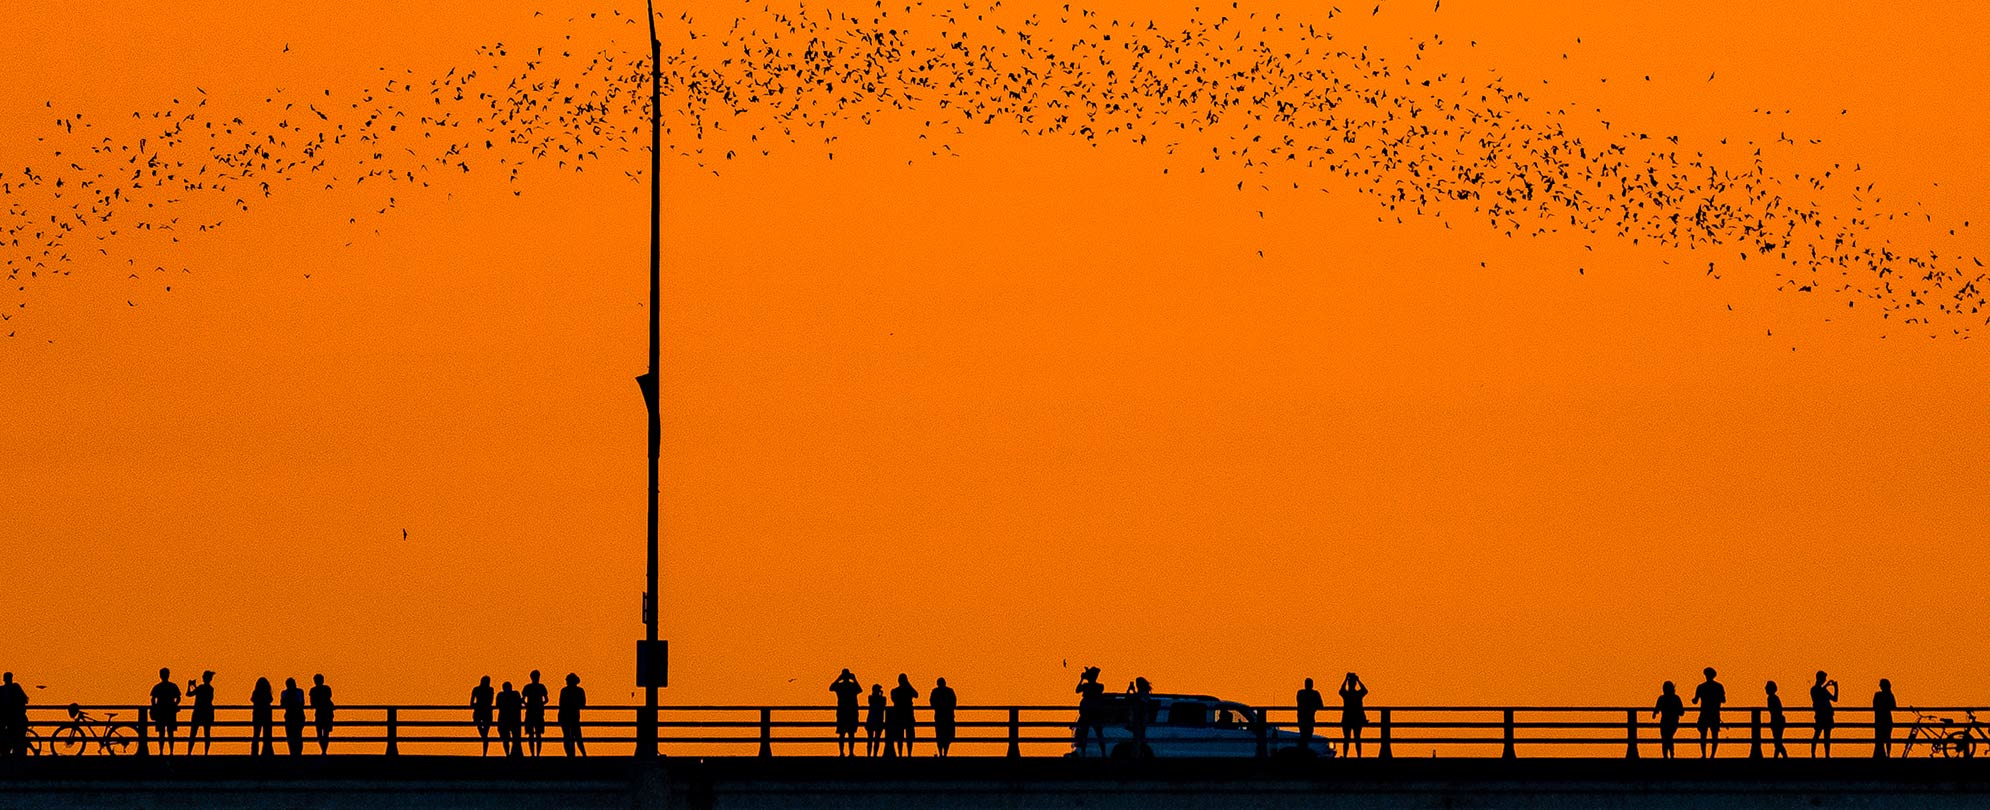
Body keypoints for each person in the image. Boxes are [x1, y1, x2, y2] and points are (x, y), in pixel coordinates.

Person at [1692, 667, 1725, 758]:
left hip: (1704, 714)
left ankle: (1704, 755)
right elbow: (1723, 700)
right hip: (1714, 714)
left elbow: (1695, 701)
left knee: (1703, 735)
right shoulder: (1719, 686)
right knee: (1714, 735)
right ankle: (1712, 755)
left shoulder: (1701, 687)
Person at [150, 667, 183, 756]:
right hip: (170, 712)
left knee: (162, 733)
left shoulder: (157, 687)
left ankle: (161, 752)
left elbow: (153, 699)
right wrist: (174, 705)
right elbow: (179, 698)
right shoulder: (173, 686)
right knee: (170, 733)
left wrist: (154, 707)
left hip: (161, 711)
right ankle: (171, 752)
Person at [1073, 667, 1105, 758]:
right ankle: (1103, 753)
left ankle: (1083, 754)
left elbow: (1077, 690)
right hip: (1095, 713)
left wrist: (1082, 679)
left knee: (1085, 735)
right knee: (1098, 734)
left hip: (1087, 713)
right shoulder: (1100, 686)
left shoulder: (1088, 686)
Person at [830, 669, 863, 757]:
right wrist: (855, 679)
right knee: (850, 733)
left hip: (843, 711)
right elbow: (860, 690)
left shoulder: (840, 686)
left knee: (843, 734)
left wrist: (838, 679)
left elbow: (831, 687)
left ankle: (843, 752)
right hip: (850, 711)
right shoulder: (852, 686)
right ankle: (850, 752)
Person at [1338, 673, 1369, 758]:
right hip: (1356, 719)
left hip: (1347, 718)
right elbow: (1365, 690)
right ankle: (1359, 756)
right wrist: (1358, 680)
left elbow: (1341, 690)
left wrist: (1345, 679)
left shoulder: (1347, 694)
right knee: (1357, 738)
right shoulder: (1358, 694)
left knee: (1346, 739)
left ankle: (1345, 756)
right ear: (1355, 684)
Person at [1809, 671, 1839, 758]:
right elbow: (1818, 694)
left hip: (1828, 715)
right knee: (1817, 735)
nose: (1824, 680)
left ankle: (1827, 755)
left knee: (1827, 737)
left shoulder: (1823, 690)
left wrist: (1836, 688)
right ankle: (1813, 754)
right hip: (1820, 715)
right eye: (1823, 678)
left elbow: (1835, 699)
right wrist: (1826, 686)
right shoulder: (1814, 689)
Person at [1653, 681, 1685, 759]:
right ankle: (1670, 755)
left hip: (1665, 720)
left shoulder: (1662, 698)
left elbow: (1657, 709)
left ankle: (1666, 755)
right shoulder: (1675, 698)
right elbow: (1682, 712)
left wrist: (1654, 714)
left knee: (1665, 738)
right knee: (1668, 737)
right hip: (1673, 720)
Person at [890, 673, 919, 757]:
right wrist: (908, 684)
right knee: (907, 736)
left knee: (901, 737)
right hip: (907, 715)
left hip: (900, 715)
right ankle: (908, 754)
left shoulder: (895, 691)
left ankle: (901, 754)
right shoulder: (906, 690)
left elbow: (916, 695)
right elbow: (916, 694)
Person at [187, 671, 216, 755]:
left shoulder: (201, 688)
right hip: (207, 712)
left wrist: (190, 685)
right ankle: (206, 753)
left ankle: (189, 752)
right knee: (207, 733)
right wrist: (194, 686)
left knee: (193, 733)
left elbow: (189, 694)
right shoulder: (210, 688)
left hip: (198, 712)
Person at [558, 673, 586, 757]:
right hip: (573, 716)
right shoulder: (579, 690)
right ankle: (582, 754)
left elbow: (561, 704)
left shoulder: (564, 691)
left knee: (568, 736)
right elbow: (583, 704)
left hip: (566, 716)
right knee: (576, 736)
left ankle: (570, 755)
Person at [523, 670, 549, 757]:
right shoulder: (541, 687)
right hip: (538, 712)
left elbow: (522, 699)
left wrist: (527, 705)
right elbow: (546, 700)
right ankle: (537, 754)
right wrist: (541, 704)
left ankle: (533, 754)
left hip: (530, 711)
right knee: (538, 734)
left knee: (531, 734)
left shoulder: (528, 687)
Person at [0, 672, 27, 758]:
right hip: (13, 716)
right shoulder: (15, 687)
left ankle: (7, 750)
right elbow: (25, 699)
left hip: (10, 717)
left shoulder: (4, 689)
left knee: (9, 733)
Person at [930, 677, 957, 757]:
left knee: (940, 735)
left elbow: (932, 702)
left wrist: (938, 707)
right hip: (948, 716)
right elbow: (954, 702)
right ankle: (944, 753)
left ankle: (942, 753)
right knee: (947, 735)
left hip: (940, 716)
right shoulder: (949, 691)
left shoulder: (935, 692)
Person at [496, 681, 523, 758]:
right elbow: (519, 705)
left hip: (506, 719)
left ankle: (509, 754)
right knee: (510, 738)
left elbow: (498, 705)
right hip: (512, 719)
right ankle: (510, 754)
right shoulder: (515, 694)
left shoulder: (501, 695)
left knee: (509, 738)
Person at [309, 674, 335, 754]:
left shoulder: (313, 690)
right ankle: (324, 750)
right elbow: (329, 697)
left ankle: (323, 750)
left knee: (320, 733)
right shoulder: (327, 688)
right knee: (325, 733)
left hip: (320, 713)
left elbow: (312, 703)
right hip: (327, 712)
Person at [1296, 678, 1324, 752]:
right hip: (1308, 717)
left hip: (1303, 717)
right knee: (1306, 735)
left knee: (1304, 735)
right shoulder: (1314, 694)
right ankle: (1303, 750)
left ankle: (1302, 750)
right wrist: (1313, 707)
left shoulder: (1301, 693)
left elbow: (1320, 705)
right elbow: (1321, 705)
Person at [281, 677, 307, 756]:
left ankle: (295, 752)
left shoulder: (286, 693)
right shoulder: (298, 692)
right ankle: (294, 752)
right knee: (295, 735)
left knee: (295, 735)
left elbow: (283, 704)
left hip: (293, 715)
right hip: (294, 715)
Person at [249, 677, 275, 756]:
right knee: (267, 735)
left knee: (256, 734)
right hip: (267, 715)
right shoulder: (267, 692)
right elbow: (271, 700)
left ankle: (254, 753)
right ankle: (267, 752)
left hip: (257, 714)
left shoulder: (256, 692)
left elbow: (252, 699)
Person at [471, 676, 496, 756]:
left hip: (480, 711)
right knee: (485, 733)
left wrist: (477, 704)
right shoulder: (490, 689)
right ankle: (485, 752)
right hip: (486, 712)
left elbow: (471, 702)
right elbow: (490, 701)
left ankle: (485, 752)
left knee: (483, 733)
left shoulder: (476, 689)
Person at [1872, 679, 1896, 758]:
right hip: (1887, 719)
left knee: (1879, 738)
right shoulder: (1890, 695)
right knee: (1888, 738)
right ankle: (1888, 755)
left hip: (1879, 719)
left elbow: (1874, 706)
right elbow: (1894, 706)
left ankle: (1880, 755)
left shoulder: (1878, 695)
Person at [1765, 681, 1788, 758]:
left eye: (1767, 687)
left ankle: (1783, 757)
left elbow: (1774, 711)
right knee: (1778, 741)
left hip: (1776, 721)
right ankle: (1777, 757)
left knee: (1777, 741)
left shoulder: (1771, 698)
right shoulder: (1774, 698)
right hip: (1779, 720)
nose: (1765, 689)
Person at [864, 684, 887, 757]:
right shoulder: (875, 698)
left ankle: (872, 754)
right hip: (877, 720)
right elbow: (882, 706)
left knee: (873, 739)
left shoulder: (874, 698)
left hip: (873, 719)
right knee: (874, 739)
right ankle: (872, 754)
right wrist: (880, 695)